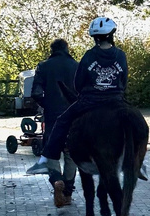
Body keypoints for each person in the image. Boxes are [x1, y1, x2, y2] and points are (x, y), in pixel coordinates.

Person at [26, 16, 129, 180]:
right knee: (131, 125)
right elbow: (124, 81)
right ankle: (134, 160)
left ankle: (47, 163)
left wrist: (51, 104)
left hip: (82, 104)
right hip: (115, 101)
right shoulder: (119, 56)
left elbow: (79, 83)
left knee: (60, 125)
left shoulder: (86, 57)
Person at [31, 39, 80, 208]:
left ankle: (56, 180)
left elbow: (36, 92)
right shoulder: (77, 66)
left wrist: (48, 105)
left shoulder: (44, 66)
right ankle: (67, 192)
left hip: (53, 116)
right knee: (71, 153)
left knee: (51, 152)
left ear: (52, 50)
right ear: (67, 49)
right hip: (73, 115)